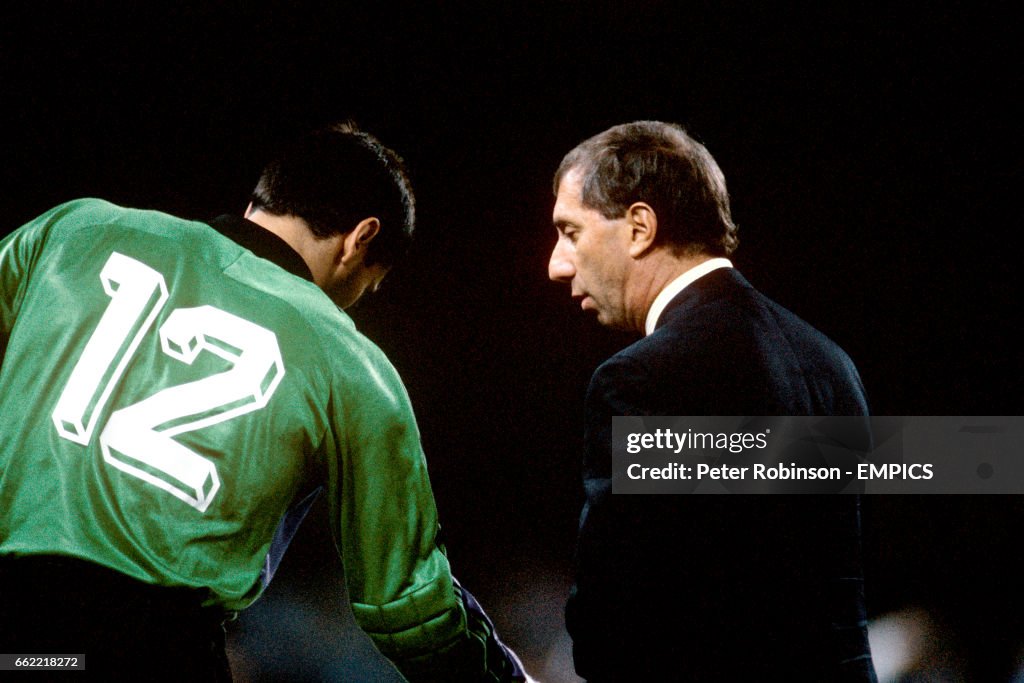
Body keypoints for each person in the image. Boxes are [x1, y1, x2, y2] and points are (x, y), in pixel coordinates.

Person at [0, 123, 525, 682]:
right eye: (369, 286)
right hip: (152, 655)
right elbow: (408, 603)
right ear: (361, 239)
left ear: (264, 197)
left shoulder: (77, 228)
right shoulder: (354, 363)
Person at [547, 121, 877, 681]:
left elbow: (615, 616)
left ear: (639, 227)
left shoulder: (641, 379)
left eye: (570, 231)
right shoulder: (833, 365)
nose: (556, 264)